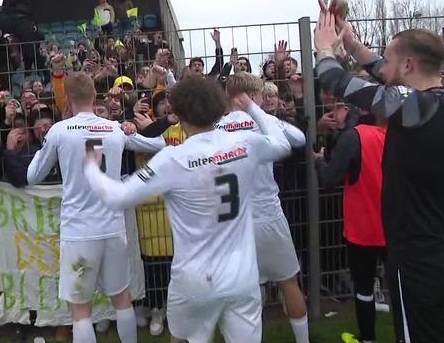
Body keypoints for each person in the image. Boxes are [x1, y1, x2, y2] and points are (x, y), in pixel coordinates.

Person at [83, 77, 292, 343]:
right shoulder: (245, 144)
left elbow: (117, 196)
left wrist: (91, 165)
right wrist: (252, 107)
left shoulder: (173, 158)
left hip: (194, 280)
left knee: (181, 339)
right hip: (241, 276)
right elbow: (283, 144)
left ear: (177, 114)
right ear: (218, 106)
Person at [314, 0, 444, 343]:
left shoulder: (412, 107)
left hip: (420, 258)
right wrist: (353, 45)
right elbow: (384, 72)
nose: (381, 66)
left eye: (389, 60)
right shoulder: (441, 101)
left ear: (408, 66)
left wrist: (325, 47)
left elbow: (336, 80)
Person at [26, 72, 165, 343]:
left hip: (79, 231)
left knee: (81, 309)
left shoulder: (59, 131)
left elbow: (33, 176)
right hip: (112, 228)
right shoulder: (113, 128)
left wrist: (44, 150)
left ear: (67, 100)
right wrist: (137, 128)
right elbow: (158, 145)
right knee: (121, 299)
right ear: (94, 97)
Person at [218, 73, 310, 343]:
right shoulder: (264, 123)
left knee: (247, 288)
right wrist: (259, 113)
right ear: (252, 96)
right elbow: (299, 139)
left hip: (234, 221)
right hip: (268, 215)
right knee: (288, 281)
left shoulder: (216, 127)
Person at [315, 114, 387, 343]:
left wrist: (318, 159)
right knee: (403, 288)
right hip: (395, 227)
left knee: (363, 288)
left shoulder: (355, 136)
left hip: (363, 229)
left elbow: (329, 177)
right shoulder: (401, 133)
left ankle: (367, 339)